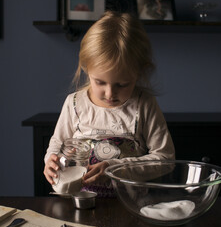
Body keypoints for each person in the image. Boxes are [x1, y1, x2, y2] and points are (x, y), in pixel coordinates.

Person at [43, 10, 175, 196]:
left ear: (140, 72)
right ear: (86, 68)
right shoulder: (74, 103)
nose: (110, 93)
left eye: (122, 84)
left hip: (129, 204)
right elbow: (57, 143)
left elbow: (165, 159)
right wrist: (50, 160)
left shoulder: (143, 104)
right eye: (100, 82)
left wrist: (116, 167)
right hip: (78, 200)